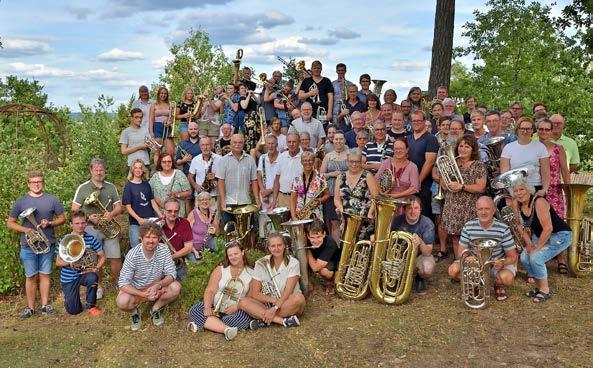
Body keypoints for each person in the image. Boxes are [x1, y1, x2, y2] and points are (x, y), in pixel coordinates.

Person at [7, 170, 65, 319]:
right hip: (28, 245)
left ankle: (45, 305)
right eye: (33, 182)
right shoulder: (21, 201)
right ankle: (30, 308)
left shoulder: (52, 199)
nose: (36, 184)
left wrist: (50, 222)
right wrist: (26, 229)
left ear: (43, 182)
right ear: (28, 183)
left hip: (47, 243)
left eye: (39, 181)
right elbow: (10, 223)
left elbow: (62, 218)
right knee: (31, 276)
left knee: (45, 274)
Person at [447, 196, 518, 301]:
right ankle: (476, 283)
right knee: (453, 271)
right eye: (480, 209)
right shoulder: (468, 226)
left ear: (493, 210)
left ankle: (497, 284)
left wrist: (502, 262)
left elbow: (512, 257)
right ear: (476, 211)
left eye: (487, 209)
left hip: (496, 265)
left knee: (507, 278)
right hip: (475, 264)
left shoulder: (503, 228)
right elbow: (460, 253)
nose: (483, 212)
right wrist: (467, 257)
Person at [512, 181, 572, 302]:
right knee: (524, 257)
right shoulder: (516, 204)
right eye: (516, 191)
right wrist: (529, 244)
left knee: (535, 257)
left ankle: (545, 291)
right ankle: (539, 288)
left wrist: (537, 248)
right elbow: (519, 225)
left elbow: (548, 228)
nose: (519, 193)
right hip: (542, 235)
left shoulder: (539, 201)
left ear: (529, 190)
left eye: (522, 189)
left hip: (560, 234)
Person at [116, 221, 181, 331]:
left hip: (156, 286)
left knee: (176, 287)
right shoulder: (133, 255)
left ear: (159, 238)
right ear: (141, 238)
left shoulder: (164, 250)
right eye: (147, 237)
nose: (151, 241)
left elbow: (171, 274)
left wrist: (158, 285)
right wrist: (143, 294)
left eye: (154, 237)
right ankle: (134, 313)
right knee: (122, 301)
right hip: (137, 289)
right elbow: (123, 283)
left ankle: (155, 309)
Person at [187, 240, 253, 340]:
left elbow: (250, 297)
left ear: (242, 253)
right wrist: (208, 308)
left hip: (235, 310)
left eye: (236, 253)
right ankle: (226, 329)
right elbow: (210, 290)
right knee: (194, 310)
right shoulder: (221, 269)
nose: (233, 257)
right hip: (215, 307)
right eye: (230, 255)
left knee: (243, 319)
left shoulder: (251, 273)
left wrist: (237, 306)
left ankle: (207, 324)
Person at [72, 159, 122, 284]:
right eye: (96, 170)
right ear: (91, 171)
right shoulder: (83, 188)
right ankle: (97, 286)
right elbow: (74, 210)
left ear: (104, 171)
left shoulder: (111, 187)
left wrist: (111, 214)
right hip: (90, 229)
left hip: (109, 228)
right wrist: (88, 218)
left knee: (115, 257)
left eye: (101, 170)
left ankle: (119, 283)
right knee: (94, 258)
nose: (99, 173)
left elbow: (118, 207)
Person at [240, 233, 305, 328]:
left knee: (299, 298)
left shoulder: (293, 263)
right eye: (273, 246)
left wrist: (275, 308)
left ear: (284, 246)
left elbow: (288, 291)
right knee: (243, 302)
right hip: (269, 304)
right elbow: (255, 293)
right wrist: (273, 300)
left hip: (287, 302)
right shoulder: (260, 263)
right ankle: (282, 321)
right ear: (269, 248)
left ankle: (264, 319)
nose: (277, 248)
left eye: (279, 245)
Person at [441, 135, 487, 259]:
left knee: (471, 238)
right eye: (461, 146)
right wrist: (444, 173)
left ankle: (473, 265)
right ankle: (460, 264)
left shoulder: (478, 165)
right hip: (453, 205)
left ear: (473, 150)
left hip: (469, 206)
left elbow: (481, 187)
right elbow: (444, 186)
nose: (463, 149)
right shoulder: (452, 163)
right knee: (456, 237)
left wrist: (462, 186)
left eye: (467, 146)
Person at [56, 210, 106, 316]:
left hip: (84, 274)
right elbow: (58, 262)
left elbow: (102, 256)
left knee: (93, 277)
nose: (80, 226)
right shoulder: (64, 240)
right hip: (69, 277)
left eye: (83, 223)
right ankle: (70, 300)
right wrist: (70, 263)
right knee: (74, 311)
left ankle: (91, 306)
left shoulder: (91, 239)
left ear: (86, 223)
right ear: (71, 224)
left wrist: (96, 268)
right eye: (77, 223)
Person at [391, 197, 435, 295]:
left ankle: (419, 279)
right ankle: (397, 277)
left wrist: (420, 242)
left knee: (427, 268)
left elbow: (427, 252)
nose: (413, 211)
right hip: (400, 256)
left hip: (419, 256)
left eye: (416, 208)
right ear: (404, 209)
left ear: (420, 209)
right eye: (409, 208)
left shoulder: (427, 223)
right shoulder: (396, 221)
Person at [334, 150, 380, 240]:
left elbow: (376, 197)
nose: (354, 164)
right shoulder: (340, 177)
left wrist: (370, 213)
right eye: (351, 161)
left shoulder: (368, 176)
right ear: (347, 162)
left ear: (361, 162)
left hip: (364, 221)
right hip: (346, 220)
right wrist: (341, 208)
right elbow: (336, 199)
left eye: (357, 162)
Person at [216, 134, 260, 227]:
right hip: (229, 203)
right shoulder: (224, 160)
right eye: (235, 142)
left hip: (245, 202)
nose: (237, 145)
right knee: (229, 230)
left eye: (240, 142)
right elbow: (221, 181)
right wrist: (223, 201)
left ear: (243, 144)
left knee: (249, 229)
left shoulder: (250, 160)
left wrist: (256, 199)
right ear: (230, 144)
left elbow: (254, 180)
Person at [500, 117, 550, 196]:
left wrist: (544, 189)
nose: (525, 131)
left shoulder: (540, 147)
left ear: (532, 130)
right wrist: (510, 191)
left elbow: (546, 172)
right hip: (515, 189)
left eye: (528, 129)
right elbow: (505, 173)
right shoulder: (508, 148)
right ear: (517, 130)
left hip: (536, 188)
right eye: (522, 128)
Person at [407, 110, 439, 219]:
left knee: (424, 213)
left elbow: (429, 162)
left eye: (419, 120)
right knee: (410, 213)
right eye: (414, 120)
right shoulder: (408, 138)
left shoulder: (431, 139)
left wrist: (418, 182)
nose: (416, 123)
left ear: (424, 121)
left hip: (424, 184)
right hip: (409, 184)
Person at [123, 159, 161, 246]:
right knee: (136, 247)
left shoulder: (146, 184)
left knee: (152, 245)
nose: (138, 170)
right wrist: (138, 219)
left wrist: (159, 214)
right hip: (136, 223)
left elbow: (152, 201)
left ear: (143, 170)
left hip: (150, 221)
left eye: (140, 168)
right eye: (135, 168)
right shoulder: (128, 187)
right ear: (132, 170)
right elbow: (128, 207)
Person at [320, 130, 349, 242]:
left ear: (345, 140)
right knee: (335, 223)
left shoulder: (349, 154)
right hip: (331, 193)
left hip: (346, 192)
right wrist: (332, 174)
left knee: (346, 222)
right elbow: (321, 175)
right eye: (336, 139)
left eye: (341, 139)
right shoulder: (328, 156)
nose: (338, 141)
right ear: (333, 140)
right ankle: (336, 250)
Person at [149, 153, 192, 218]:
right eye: (164, 162)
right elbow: (148, 193)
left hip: (177, 213)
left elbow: (189, 192)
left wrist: (176, 195)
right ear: (160, 163)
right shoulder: (155, 177)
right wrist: (158, 201)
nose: (167, 164)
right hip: (161, 214)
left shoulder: (179, 174)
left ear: (172, 162)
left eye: (169, 161)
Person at [290, 151, 329, 220]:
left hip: (316, 215)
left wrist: (319, 201)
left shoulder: (320, 177)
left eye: (310, 160)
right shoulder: (297, 179)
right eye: (305, 160)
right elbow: (293, 199)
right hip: (300, 215)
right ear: (301, 162)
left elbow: (327, 194)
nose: (307, 163)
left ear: (314, 161)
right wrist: (293, 216)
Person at [161, 198, 193, 280]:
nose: (173, 213)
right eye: (169, 211)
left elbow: (188, 248)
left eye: (176, 211)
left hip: (178, 262)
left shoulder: (184, 223)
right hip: (160, 265)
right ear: (164, 211)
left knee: (185, 286)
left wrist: (171, 257)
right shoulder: (157, 224)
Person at [305, 219, 340, 294]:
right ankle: (307, 281)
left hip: (331, 263)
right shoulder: (306, 240)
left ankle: (330, 281)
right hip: (316, 260)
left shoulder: (330, 244)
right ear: (308, 236)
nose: (316, 240)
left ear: (324, 234)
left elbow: (315, 268)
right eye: (312, 237)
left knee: (324, 272)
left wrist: (306, 251)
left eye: (318, 237)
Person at [188, 137, 222, 210]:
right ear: (200, 147)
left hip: (214, 195)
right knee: (199, 219)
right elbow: (190, 176)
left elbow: (224, 178)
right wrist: (195, 186)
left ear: (211, 145)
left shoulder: (219, 159)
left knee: (214, 219)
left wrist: (215, 177)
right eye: (203, 145)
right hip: (200, 196)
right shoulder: (195, 159)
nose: (205, 147)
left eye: (207, 145)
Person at [257, 135, 280, 237]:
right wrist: (262, 191)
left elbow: (281, 179)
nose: (270, 146)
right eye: (268, 144)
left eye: (273, 144)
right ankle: (265, 242)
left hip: (277, 194)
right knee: (264, 220)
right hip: (264, 194)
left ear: (277, 145)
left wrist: (269, 191)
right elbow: (259, 175)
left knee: (276, 221)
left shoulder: (282, 158)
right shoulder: (262, 158)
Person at [272, 133, 303, 209]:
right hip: (282, 197)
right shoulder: (281, 157)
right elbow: (276, 179)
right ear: (286, 143)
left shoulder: (304, 157)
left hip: (299, 198)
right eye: (289, 142)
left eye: (294, 142)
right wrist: (274, 199)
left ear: (299, 142)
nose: (291, 144)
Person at [187, 192, 219, 261]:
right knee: (196, 264)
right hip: (193, 247)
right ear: (198, 202)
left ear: (210, 201)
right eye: (202, 200)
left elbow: (218, 231)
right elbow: (185, 235)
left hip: (208, 243)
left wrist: (215, 231)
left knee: (218, 255)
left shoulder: (213, 213)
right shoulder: (193, 214)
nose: (205, 201)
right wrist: (194, 251)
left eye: (207, 199)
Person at [119, 108, 150, 175]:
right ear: (131, 118)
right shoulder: (126, 132)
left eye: (141, 117)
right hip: (132, 165)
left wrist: (150, 145)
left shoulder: (146, 130)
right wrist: (140, 146)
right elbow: (123, 151)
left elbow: (149, 147)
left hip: (145, 163)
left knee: (146, 185)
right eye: (136, 117)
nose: (139, 119)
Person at [149, 86, 174, 158]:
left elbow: (172, 118)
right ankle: (157, 169)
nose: (163, 95)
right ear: (159, 94)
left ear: (167, 95)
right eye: (162, 93)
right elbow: (151, 119)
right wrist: (151, 132)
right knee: (157, 152)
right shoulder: (154, 105)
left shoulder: (170, 105)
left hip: (167, 127)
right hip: (157, 127)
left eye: (165, 93)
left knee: (170, 151)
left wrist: (170, 122)